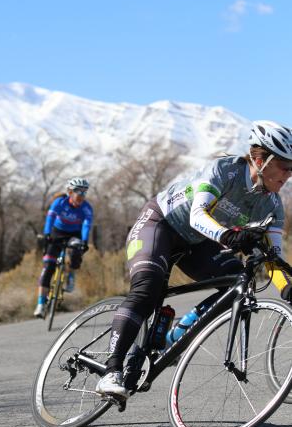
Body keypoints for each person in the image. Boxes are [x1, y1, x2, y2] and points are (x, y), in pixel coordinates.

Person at [96, 120, 292, 398]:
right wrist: (228, 236)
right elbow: (197, 215)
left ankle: (174, 337)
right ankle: (111, 371)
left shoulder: (271, 204)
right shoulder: (225, 171)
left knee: (238, 283)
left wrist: (287, 287)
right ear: (260, 159)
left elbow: (273, 256)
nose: (289, 174)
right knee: (147, 289)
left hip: (197, 243)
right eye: (285, 165)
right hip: (161, 224)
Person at [33, 177, 93, 318]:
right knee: (48, 267)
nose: (82, 195)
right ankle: (41, 304)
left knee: (76, 252)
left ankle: (70, 274)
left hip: (74, 234)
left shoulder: (87, 208)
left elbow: (86, 225)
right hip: (57, 233)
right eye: (79, 192)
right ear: (70, 192)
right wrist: (47, 234)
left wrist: (84, 241)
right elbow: (50, 219)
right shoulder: (59, 202)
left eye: (85, 192)